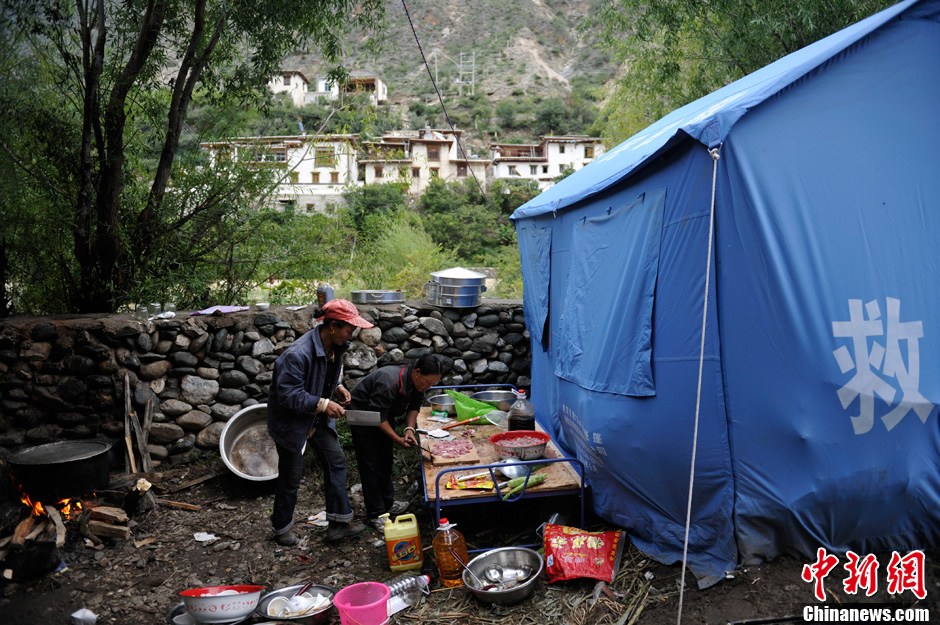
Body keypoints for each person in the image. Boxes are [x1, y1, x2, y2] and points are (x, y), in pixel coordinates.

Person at [267, 298, 373, 546]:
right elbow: (289, 394)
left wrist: (337, 388)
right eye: (349, 328)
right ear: (333, 326)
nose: (352, 334)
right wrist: (325, 404)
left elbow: (325, 375)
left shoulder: (335, 347)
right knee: (291, 476)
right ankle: (281, 527)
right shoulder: (297, 354)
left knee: (336, 461)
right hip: (291, 423)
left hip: (316, 418)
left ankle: (337, 524)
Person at [348, 354, 443, 530]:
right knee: (370, 464)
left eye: (432, 384)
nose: (428, 387)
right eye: (427, 383)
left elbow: (415, 407)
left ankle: (388, 503)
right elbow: (378, 418)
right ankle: (376, 514)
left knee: (385, 459)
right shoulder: (389, 381)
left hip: (383, 416)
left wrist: (409, 429)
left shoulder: (418, 383)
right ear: (417, 372)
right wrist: (397, 438)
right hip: (363, 417)